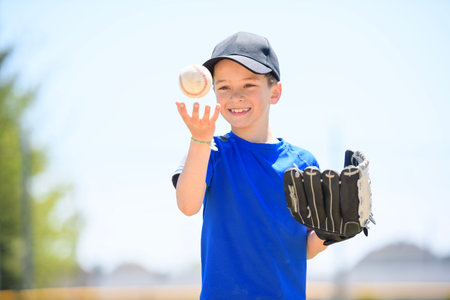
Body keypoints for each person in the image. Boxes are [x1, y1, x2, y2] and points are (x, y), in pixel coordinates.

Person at [173, 31, 327, 300]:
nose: (236, 96)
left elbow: (300, 247)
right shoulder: (211, 151)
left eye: (249, 85)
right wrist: (199, 139)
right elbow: (188, 205)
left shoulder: (303, 163)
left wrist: (332, 233)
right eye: (223, 87)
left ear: (275, 92)